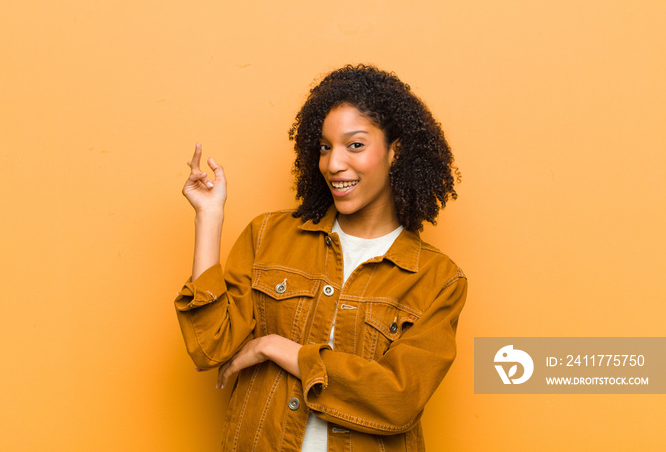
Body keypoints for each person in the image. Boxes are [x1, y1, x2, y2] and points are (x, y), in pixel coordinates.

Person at [175, 64, 467, 452]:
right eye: (326, 147)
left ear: (394, 151)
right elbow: (209, 347)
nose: (333, 164)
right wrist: (208, 217)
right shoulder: (269, 237)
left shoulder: (437, 279)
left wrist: (275, 347)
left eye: (355, 145)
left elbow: (398, 400)